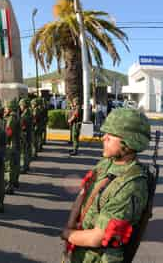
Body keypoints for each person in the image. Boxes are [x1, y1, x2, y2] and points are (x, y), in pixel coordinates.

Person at [61, 108, 151, 263]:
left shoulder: (131, 185)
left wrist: (68, 234)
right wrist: (71, 227)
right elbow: (84, 192)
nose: (104, 138)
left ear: (128, 143)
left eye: (111, 135)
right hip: (80, 246)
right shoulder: (107, 163)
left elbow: (98, 237)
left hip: (97, 257)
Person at [3, 99, 21, 194]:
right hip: (17, 143)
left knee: (10, 165)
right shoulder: (16, 115)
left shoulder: (11, 118)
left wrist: (3, 141)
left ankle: (10, 186)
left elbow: (8, 132)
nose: (5, 109)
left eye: (6, 107)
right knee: (16, 164)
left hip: (12, 145)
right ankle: (15, 181)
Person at [19, 98, 32, 173]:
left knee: (23, 152)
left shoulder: (24, 115)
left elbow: (23, 126)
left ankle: (23, 167)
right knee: (27, 150)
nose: (20, 107)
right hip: (29, 133)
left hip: (25, 134)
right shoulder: (29, 112)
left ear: (24, 105)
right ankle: (27, 165)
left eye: (21, 105)